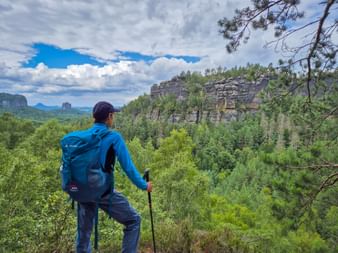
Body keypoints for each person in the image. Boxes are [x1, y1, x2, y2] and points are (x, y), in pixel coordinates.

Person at [76, 101, 152, 253]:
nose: (113, 118)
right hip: (102, 191)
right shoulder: (114, 137)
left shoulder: (83, 137)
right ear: (109, 117)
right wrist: (144, 185)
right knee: (133, 220)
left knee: (84, 233)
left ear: (93, 117)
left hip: (82, 190)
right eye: (113, 115)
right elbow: (128, 168)